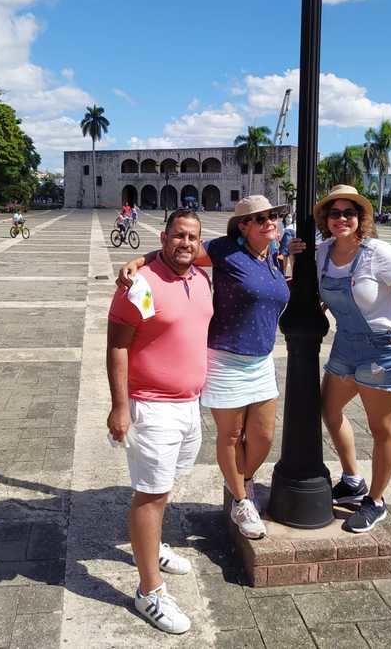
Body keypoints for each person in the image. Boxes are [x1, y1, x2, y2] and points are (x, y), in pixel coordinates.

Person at [120, 196, 289, 541]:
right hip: (226, 358)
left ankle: (240, 481)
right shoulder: (225, 250)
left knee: (264, 435)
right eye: (260, 218)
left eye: (273, 216)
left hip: (261, 360)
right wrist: (137, 260)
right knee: (230, 435)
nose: (269, 222)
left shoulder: (273, 254)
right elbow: (177, 249)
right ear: (243, 225)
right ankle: (241, 501)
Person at [289, 185, 391, 533]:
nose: (341, 219)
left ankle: (377, 501)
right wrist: (293, 259)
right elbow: (313, 296)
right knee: (329, 410)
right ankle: (353, 478)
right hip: (346, 345)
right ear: (325, 219)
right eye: (334, 213)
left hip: (384, 348)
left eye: (348, 213)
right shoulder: (321, 253)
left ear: (360, 218)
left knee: (380, 427)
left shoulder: (378, 253)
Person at [107, 210, 213, 634]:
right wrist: (118, 407)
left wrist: (149, 255)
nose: (185, 243)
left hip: (190, 404)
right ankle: (149, 591)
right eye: (177, 236)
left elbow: (205, 256)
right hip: (151, 407)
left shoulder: (202, 276)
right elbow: (117, 347)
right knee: (149, 495)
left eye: (192, 237)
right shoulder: (140, 284)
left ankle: (155, 548)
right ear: (163, 235)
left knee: (166, 484)